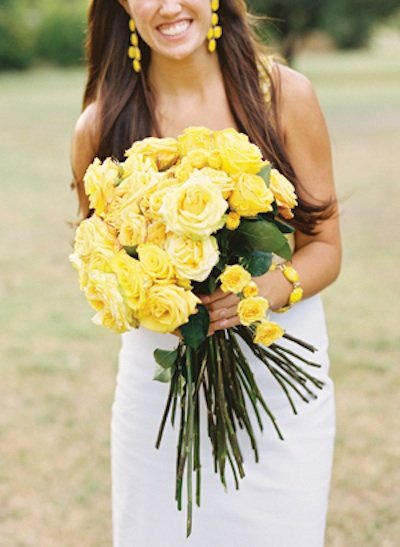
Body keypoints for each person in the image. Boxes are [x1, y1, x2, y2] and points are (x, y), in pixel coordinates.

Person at [71, 1, 341, 545]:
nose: (169, 5)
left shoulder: (284, 96)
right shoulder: (99, 126)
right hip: (160, 391)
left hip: (278, 380)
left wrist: (268, 289)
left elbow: (326, 246)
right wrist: (150, 299)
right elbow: (98, 260)